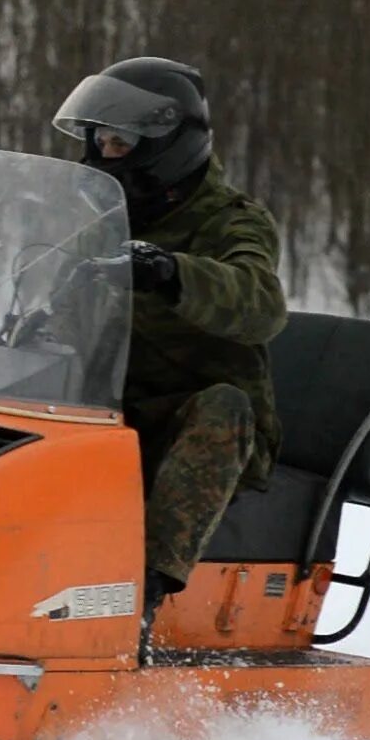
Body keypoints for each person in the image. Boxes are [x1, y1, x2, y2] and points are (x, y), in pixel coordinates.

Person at [51, 56, 288, 655]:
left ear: (163, 146)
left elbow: (261, 302)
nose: (102, 155)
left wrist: (172, 272)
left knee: (223, 405)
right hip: (111, 412)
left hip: (196, 427)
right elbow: (48, 295)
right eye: (97, 141)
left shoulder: (232, 221)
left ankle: (139, 604)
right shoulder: (99, 220)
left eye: (117, 142)